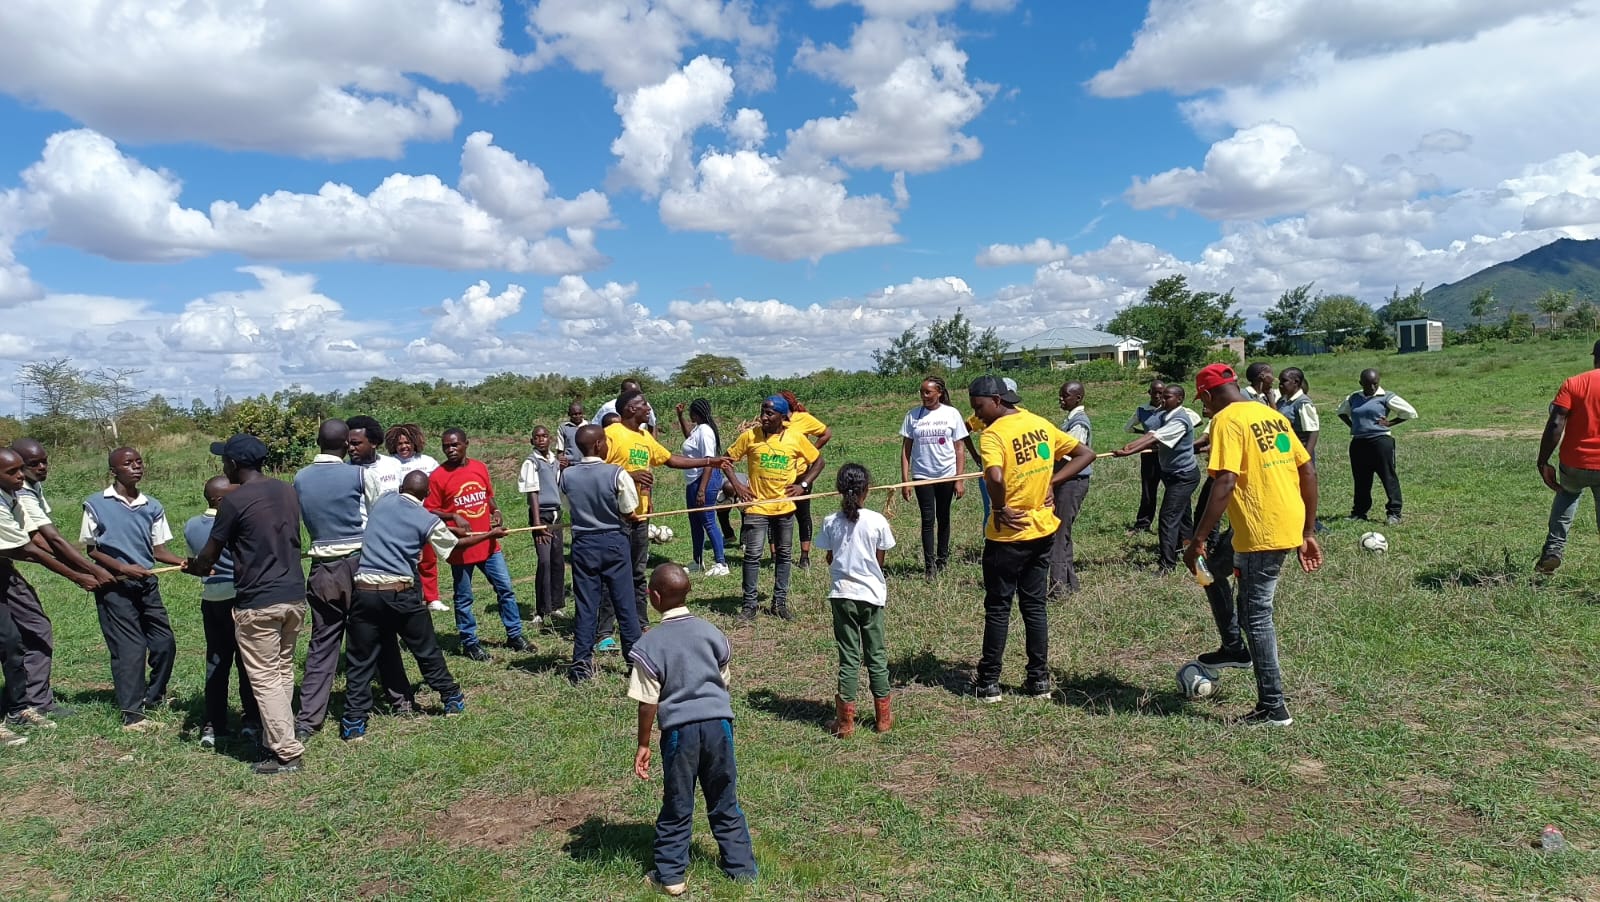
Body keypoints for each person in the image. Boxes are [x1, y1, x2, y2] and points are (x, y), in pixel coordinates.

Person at [1185, 364, 1323, 727]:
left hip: (1263, 531)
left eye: (1204, 402)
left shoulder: (1227, 421)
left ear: (1208, 396)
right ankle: (1233, 648)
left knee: (1256, 615)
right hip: (1279, 520)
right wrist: (1307, 529)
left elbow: (1225, 481)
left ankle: (1273, 707)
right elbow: (1306, 470)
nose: (1206, 409)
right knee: (1214, 572)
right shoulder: (1269, 414)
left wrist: (1197, 539)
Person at [629, 563, 757, 895]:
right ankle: (741, 869)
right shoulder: (712, 632)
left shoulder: (649, 645)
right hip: (719, 726)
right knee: (724, 797)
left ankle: (671, 876)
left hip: (679, 733)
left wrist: (643, 744)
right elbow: (723, 680)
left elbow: (647, 701)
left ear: (654, 597)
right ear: (689, 591)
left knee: (678, 800)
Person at [186, 434, 310, 775]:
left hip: (258, 601)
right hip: (294, 596)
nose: (223, 466)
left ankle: (285, 752)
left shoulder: (233, 503)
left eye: (225, 460)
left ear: (235, 464)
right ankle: (279, 735)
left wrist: (194, 566)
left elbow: (210, 555)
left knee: (265, 677)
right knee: (283, 669)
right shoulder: (287, 491)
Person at [968, 376, 1095, 702]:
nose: (977, 415)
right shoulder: (1039, 424)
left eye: (979, 407)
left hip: (1008, 536)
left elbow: (995, 475)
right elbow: (1085, 455)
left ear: (997, 400)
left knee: (998, 608)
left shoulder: (993, 435)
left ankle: (989, 683)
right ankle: (1039, 681)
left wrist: (999, 507)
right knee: (1034, 607)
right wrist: (1052, 481)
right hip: (1042, 530)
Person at [341, 471, 494, 741]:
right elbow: (453, 548)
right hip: (401, 594)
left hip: (364, 592)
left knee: (360, 660)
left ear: (401, 488)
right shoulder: (427, 519)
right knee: (425, 649)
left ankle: (353, 723)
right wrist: (490, 534)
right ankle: (451, 698)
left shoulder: (385, 500)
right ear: (425, 496)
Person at [293, 419, 411, 740]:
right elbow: (381, 518)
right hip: (361, 564)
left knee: (322, 643)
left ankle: (307, 720)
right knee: (380, 634)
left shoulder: (300, 478)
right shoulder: (360, 474)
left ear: (318, 442)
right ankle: (399, 698)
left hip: (322, 569)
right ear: (346, 443)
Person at [602, 390, 726, 637]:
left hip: (640, 516)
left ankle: (640, 622)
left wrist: (708, 462)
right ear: (629, 409)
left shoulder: (644, 436)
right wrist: (629, 476)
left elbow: (670, 459)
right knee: (613, 573)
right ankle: (604, 630)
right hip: (615, 517)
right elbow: (596, 472)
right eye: (643, 404)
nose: (648, 408)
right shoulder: (611, 435)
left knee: (638, 573)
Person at [0, 449, 104, 743]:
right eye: (13, 472)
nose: (21, 475)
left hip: (3, 567)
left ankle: (27, 704)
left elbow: (34, 538)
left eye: (22, 469)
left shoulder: (15, 494)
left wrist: (84, 569)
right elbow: (28, 550)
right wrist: (79, 574)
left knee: (35, 626)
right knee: (7, 639)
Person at [80, 446, 185, 732]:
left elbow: (159, 549)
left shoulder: (152, 505)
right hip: (115, 585)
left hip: (146, 582)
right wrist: (123, 568)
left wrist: (185, 562)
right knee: (131, 648)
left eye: (139, 461)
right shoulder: (96, 504)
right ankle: (132, 714)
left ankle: (154, 696)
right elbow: (93, 550)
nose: (136, 466)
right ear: (113, 470)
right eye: (128, 463)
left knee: (164, 643)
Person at [427, 427, 528, 660]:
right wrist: (452, 516)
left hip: (490, 545)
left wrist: (497, 510)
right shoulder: (438, 476)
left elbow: (488, 494)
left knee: (505, 589)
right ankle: (470, 642)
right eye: (446, 446)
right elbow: (430, 509)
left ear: (466, 444)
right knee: (464, 597)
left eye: (454, 445)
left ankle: (515, 634)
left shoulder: (479, 468)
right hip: (462, 549)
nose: (450, 450)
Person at [724, 396, 825, 622]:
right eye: (762, 412)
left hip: (784, 508)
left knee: (784, 555)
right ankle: (749, 605)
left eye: (769, 414)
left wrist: (803, 485)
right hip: (757, 508)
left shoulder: (795, 438)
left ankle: (779, 603)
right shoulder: (750, 436)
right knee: (752, 556)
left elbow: (818, 461)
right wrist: (739, 486)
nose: (763, 417)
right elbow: (727, 460)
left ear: (782, 416)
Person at [816, 463, 896, 738]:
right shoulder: (877, 521)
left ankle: (846, 723)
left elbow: (829, 557)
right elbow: (879, 560)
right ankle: (883, 718)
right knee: (877, 655)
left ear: (839, 489)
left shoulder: (830, 521)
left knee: (849, 657)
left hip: (842, 596)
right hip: (871, 595)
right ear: (867, 490)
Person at [182, 475, 261, 749]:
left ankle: (213, 724)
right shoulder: (235, 522)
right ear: (220, 500)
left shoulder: (191, 525)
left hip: (211, 599)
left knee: (217, 661)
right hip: (237, 596)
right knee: (247, 661)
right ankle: (252, 721)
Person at [563, 425, 642, 684]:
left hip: (583, 543)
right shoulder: (616, 473)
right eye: (606, 441)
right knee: (625, 603)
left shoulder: (566, 476)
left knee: (586, 606)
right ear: (598, 445)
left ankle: (581, 665)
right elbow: (630, 509)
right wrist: (632, 517)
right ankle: (634, 663)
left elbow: (570, 507)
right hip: (613, 542)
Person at [1113, 384, 1203, 573]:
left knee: (1168, 517)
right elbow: (1151, 434)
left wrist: (1128, 452)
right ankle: (1183, 549)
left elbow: (1156, 438)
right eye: (1162, 396)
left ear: (1179, 400)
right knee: (1182, 514)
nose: (1162, 399)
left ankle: (1167, 564)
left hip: (1183, 476)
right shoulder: (1164, 415)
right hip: (1172, 473)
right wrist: (1130, 447)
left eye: (1167, 396)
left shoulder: (1180, 420)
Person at [1536, 340, 1600, 572]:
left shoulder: (1574, 383)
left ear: (1595, 357)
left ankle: (1553, 549)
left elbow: (1556, 423)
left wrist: (1543, 461)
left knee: (1567, 494)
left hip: (1575, 463)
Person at [898, 376, 968, 579]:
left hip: (946, 473)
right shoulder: (913, 416)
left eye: (928, 392)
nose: (924, 396)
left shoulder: (951, 414)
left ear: (939, 392)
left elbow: (959, 449)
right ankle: (930, 566)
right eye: (922, 392)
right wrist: (906, 480)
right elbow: (906, 449)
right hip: (922, 475)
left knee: (943, 517)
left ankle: (942, 559)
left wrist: (959, 479)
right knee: (927, 519)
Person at [1336, 368, 1417, 525]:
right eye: (1368, 384)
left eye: (1375, 383)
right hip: (1359, 443)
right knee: (1361, 479)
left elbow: (1409, 412)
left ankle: (1394, 513)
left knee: (1388, 477)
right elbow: (1341, 412)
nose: (1372, 387)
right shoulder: (1354, 397)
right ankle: (1359, 512)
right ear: (1361, 383)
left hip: (1380, 442)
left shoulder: (1386, 396)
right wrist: (1353, 426)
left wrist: (1390, 423)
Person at [384, 423, 446, 611]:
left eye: (407, 442)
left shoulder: (428, 462)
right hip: (399, 519)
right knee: (405, 560)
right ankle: (410, 597)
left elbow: (437, 489)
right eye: (399, 443)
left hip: (423, 517)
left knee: (428, 559)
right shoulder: (389, 464)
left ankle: (432, 598)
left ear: (415, 443)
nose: (404, 446)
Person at [776, 390, 831, 570]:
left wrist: (810, 452)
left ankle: (804, 556)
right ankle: (776, 555)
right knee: (776, 513)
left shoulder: (803, 419)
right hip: (778, 475)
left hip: (800, 475)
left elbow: (825, 433)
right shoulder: (773, 421)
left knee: (803, 514)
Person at [518, 425, 566, 626]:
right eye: (537, 437)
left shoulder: (555, 461)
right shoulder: (532, 463)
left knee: (557, 560)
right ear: (532, 441)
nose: (541, 439)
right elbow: (533, 492)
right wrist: (537, 523)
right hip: (542, 516)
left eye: (544, 436)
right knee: (544, 561)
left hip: (557, 514)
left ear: (550, 439)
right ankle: (541, 609)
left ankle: (556, 605)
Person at [676, 399, 730, 576]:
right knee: (695, 522)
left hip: (705, 479)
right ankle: (697, 561)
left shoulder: (706, 431)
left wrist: (701, 490)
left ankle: (721, 563)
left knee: (707, 520)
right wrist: (680, 416)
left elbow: (709, 462)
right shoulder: (697, 429)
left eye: (690, 412)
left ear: (696, 413)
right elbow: (688, 438)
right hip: (693, 481)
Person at [1050, 381, 1093, 598]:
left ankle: (1057, 588)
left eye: (1065, 396)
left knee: (1058, 533)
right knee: (1063, 532)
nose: (1061, 399)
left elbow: (1070, 453)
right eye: (1060, 395)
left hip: (1072, 482)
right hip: (1065, 482)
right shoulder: (1070, 420)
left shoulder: (1079, 423)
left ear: (1078, 398)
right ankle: (1069, 582)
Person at [1123, 380, 1167, 534]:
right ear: (1149, 392)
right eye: (1154, 392)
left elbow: (1195, 421)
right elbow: (1127, 428)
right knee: (1148, 490)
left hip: (1168, 455)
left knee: (1173, 491)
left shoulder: (1171, 409)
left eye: (1160, 392)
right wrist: (1144, 435)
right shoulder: (1142, 410)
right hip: (1149, 455)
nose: (1157, 396)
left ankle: (1176, 527)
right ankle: (1142, 524)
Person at [347, 414, 404, 498]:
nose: (350, 448)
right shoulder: (346, 472)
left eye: (356, 443)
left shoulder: (393, 464)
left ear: (374, 442)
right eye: (348, 444)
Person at [1275, 368, 1320, 461]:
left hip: (1299, 450)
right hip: (1285, 449)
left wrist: (1305, 458)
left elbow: (1313, 431)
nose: (1280, 385)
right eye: (1280, 382)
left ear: (1296, 382)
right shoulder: (1282, 400)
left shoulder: (1302, 403)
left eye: (1284, 381)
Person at [593, 379, 658, 432]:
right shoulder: (608, 408)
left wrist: (653, 444)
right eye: (633, 393)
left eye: (638, 392)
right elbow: (594, 428)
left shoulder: (645, 406)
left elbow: (652, 425)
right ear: (622, 393)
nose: (637, 395)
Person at [555, 401, 586, 466]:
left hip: (586, 463)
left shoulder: (589, 426)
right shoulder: (563, 428)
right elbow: (560, 449)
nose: (577, 416)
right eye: (574, 414)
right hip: (570, 464)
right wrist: (560, 464)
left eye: (580, 413)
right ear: (569, 414)